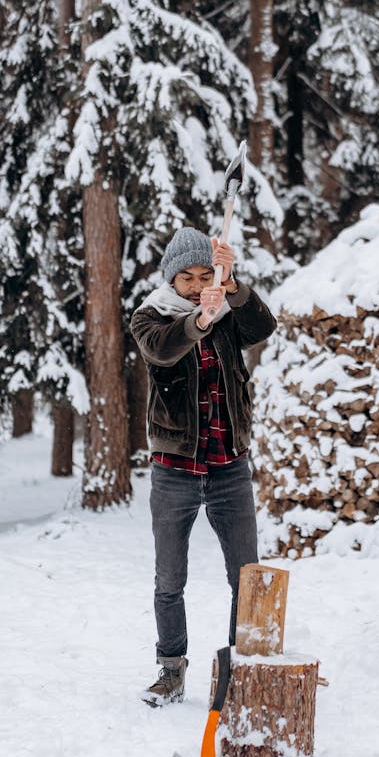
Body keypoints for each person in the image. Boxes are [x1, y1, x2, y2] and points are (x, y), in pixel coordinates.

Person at [130, 226, 277, 706]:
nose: (196, 286)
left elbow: (263, 328)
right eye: (186, 278)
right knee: (170, 579)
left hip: (229, 466)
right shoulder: (150, 317)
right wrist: (199, 321)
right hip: (175, 468)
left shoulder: (228, 312)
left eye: (203, 276)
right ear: (171, 280)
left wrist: (231, 288)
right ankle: (171, 669)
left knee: (246, 576)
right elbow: (163, 348)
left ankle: (240, 670)